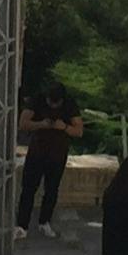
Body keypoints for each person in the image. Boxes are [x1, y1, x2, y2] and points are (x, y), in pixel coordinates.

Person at [15, 75, 79, 237]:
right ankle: (22, 225)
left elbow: (79, 131)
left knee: (51, 190)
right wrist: (41, 124)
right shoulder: (38, 100)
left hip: (57, 154)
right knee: (28, 189)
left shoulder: (70, 104)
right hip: (38, 151)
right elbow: (23, 123)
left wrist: (63, 127)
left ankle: (45, 222)